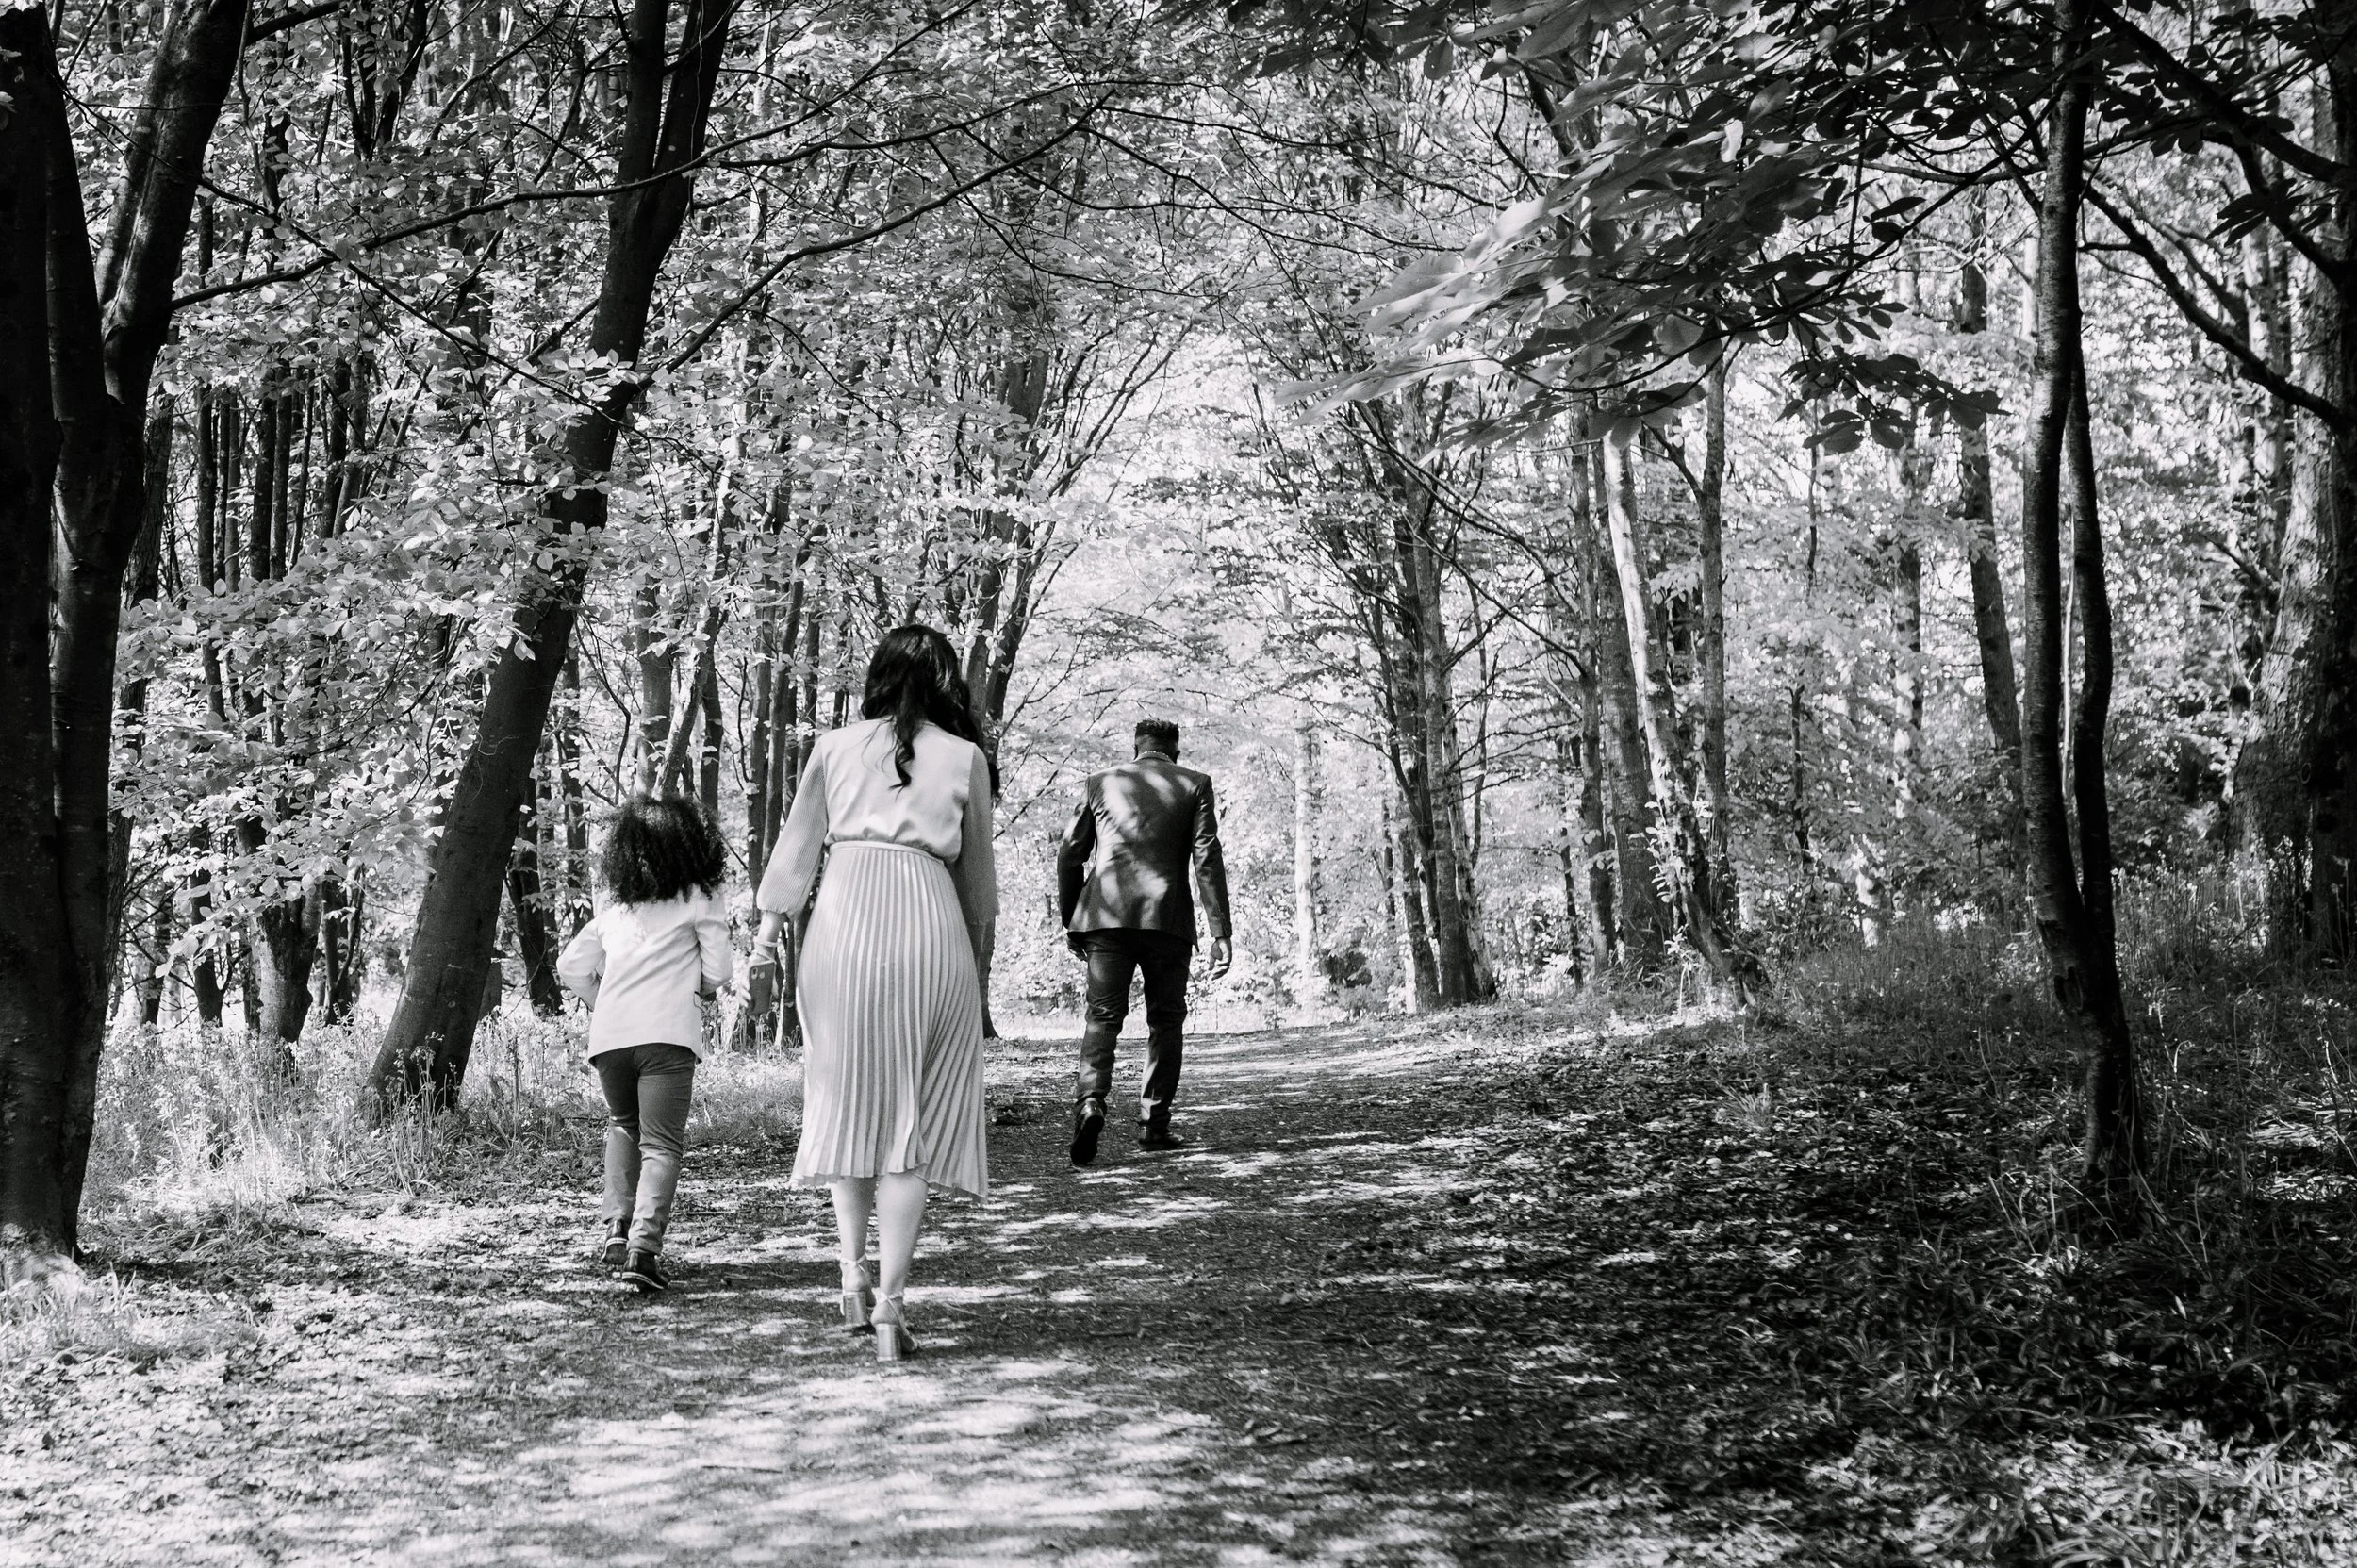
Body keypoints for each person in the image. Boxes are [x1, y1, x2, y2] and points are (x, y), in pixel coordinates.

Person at [749, 625, 997, 1363]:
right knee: (910, 1123)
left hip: (844, 928)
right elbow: (977, 886)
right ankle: (891, 1306)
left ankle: (850, 1277)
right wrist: (977, 970)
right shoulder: (966, 758)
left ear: (879, 676)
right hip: (931, 931)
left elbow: (794, 855)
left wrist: (765, 939)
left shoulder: (834, 746)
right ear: (947, 682)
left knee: (848, 1101)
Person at [556, 796, 733, 1295]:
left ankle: (616, 1228)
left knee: (623, 1126)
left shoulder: (619, 911)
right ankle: (643, 1252)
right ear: (690, 846)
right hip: (667, 1035)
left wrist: (603, 1002)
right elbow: (719, 971)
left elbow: (571, 966)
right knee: (661, 1145)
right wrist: (689, 988)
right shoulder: (700, 898)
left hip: (610, 1037)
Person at [1056, 717, 1231, 1165]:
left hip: (1105, 917)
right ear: (1174, 750)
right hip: (1166, 919)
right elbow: (1206, 856)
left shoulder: (1100, 783)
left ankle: (1091, 1102)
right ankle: (1154, 1124)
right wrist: (1220, 931)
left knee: (1103, 1015)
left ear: (1136, 748)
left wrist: (1073, 917)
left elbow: (1070, 854)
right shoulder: (1195, 784)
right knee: (1166, 1020)